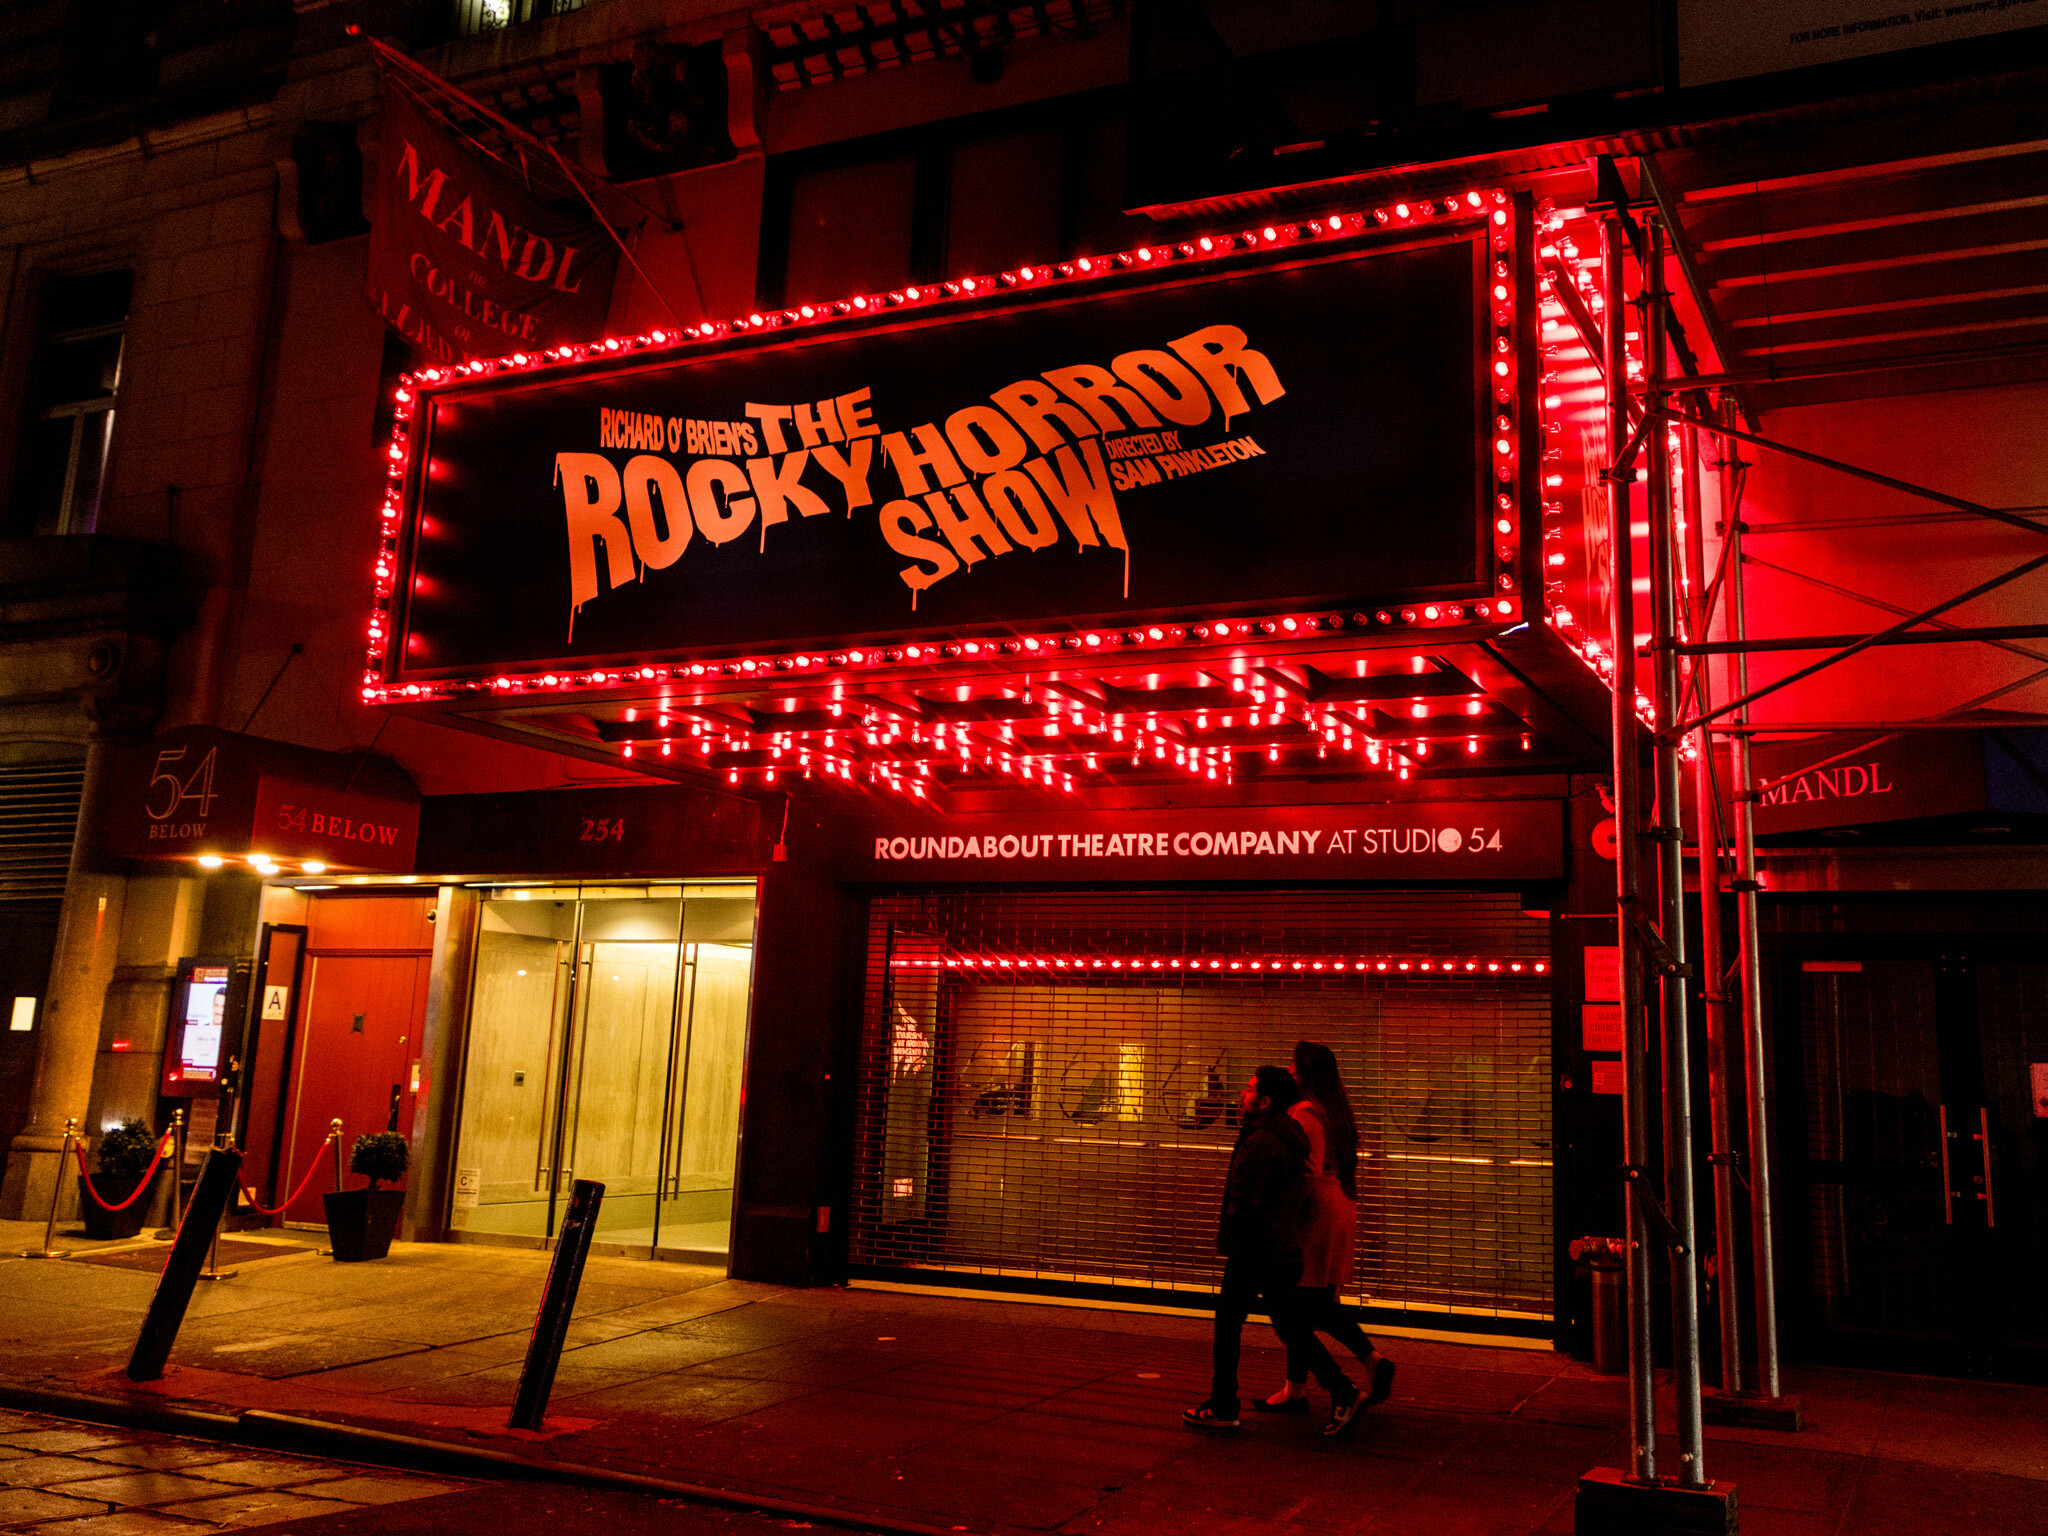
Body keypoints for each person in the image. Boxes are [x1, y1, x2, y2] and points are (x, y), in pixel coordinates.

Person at [1184, 1065, 1363, 1436]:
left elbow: (1245, 1200)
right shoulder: (1291, 1135)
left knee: (1230, 1325)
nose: (1241, 1096)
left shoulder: (1261, 1141)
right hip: (1281, 1248)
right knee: (1292, 1328)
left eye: (1249, 1090)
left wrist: (1235, 1241)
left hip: (1254, 1250)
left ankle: (1224, 1406)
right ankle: (1342, 1389)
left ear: (1265, 1102)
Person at [1254, 1041, 1396, 1415]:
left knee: (1297, 1306)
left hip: (1316, 1214)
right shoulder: (1338, 1112)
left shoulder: (1306, 1112)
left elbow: (1308, 1170)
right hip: (1342, 1204)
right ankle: (1299, 1386)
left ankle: (1363, 1361)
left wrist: (1282, 1210)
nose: (1289, 1070)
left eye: (1294, 1065)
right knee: (1312, 1304)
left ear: (1307, 1073)